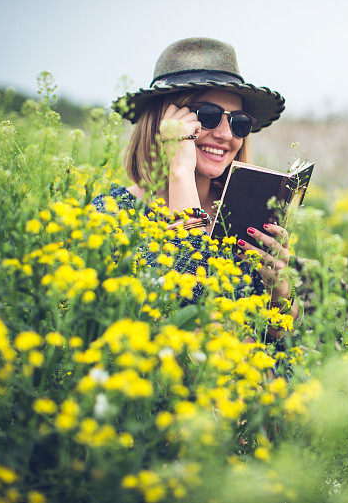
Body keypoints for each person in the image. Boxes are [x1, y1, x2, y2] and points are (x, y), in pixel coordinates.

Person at [93, 37, 299, 322]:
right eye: (209, 116)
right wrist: (180, 170)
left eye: (239, 122)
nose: (226, 135)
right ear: (163, 121)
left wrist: (279, 291)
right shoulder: (111, 215)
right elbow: (190, 302)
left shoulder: (241, 216)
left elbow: (282, 341)